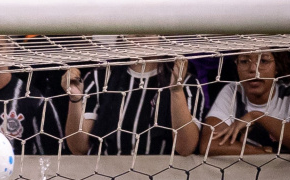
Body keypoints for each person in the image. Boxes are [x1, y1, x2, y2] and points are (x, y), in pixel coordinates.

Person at [62, 54, 203, 156]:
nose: (140, 30)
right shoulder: (100, 78)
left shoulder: (187, 82)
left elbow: (186, 148)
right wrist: (75, 100)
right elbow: (79, 148)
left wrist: (176, 90)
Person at [202, 50, 290, 155]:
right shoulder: (233, 91)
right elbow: (208, 144)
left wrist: (257, 116)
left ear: (277, 67)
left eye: (263, 61)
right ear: (236, 65)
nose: (253, 69)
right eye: (244, 61)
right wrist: (264, 152)